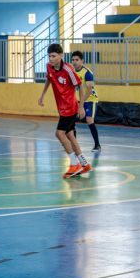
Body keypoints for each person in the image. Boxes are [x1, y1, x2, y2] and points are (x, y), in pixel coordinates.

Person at [37, 43, 91, 178]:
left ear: (61, 56)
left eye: (54, 56)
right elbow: (49, 79)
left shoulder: (68, 70)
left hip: (71, 108)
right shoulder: (49, 67)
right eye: (49, 56)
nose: (51, 58)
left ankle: (74, 164)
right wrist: (43, 94)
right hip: (61, 108)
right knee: (70, 135)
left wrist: (81, 106)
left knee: (59, 134)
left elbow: (80, 86)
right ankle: (84, 164)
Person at [70, 50, 102, 152]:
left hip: (90, 99)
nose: (74, 62)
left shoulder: (88, 73)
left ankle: (97, 145)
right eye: (73, 60)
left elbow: (89, 90)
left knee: (89, 120)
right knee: (71, 120)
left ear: (82, 61)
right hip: (81, 100)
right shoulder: (73, 72)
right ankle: (73, 144)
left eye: (77, 60)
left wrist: (81, 104)